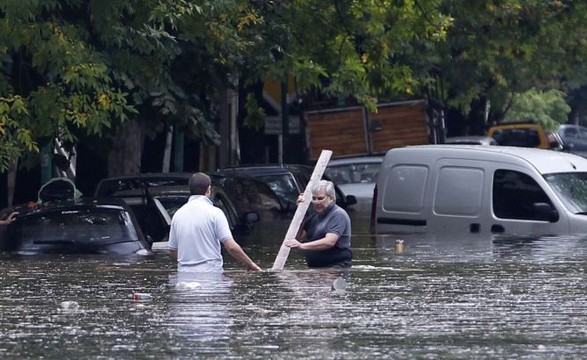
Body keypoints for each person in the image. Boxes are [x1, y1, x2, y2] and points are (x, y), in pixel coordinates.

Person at [167, 172, 262, 272]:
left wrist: (189, 262)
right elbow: (231, 247)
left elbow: (172, 250)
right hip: (211, 274)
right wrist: (250, 264)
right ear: (208, 189)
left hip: (184, 276)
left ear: (190, 190)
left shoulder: (178, 215)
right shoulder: (215, 213)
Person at [284, 180, 352, 268]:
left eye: (320, 198)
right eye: (314, 198)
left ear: (331, 198)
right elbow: (298, 238)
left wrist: (301, 246)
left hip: (336, 267)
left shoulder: (338, 214)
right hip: (315, 267)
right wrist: (300, 212)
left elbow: (329, 242)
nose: (316, 202)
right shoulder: (314, 215)